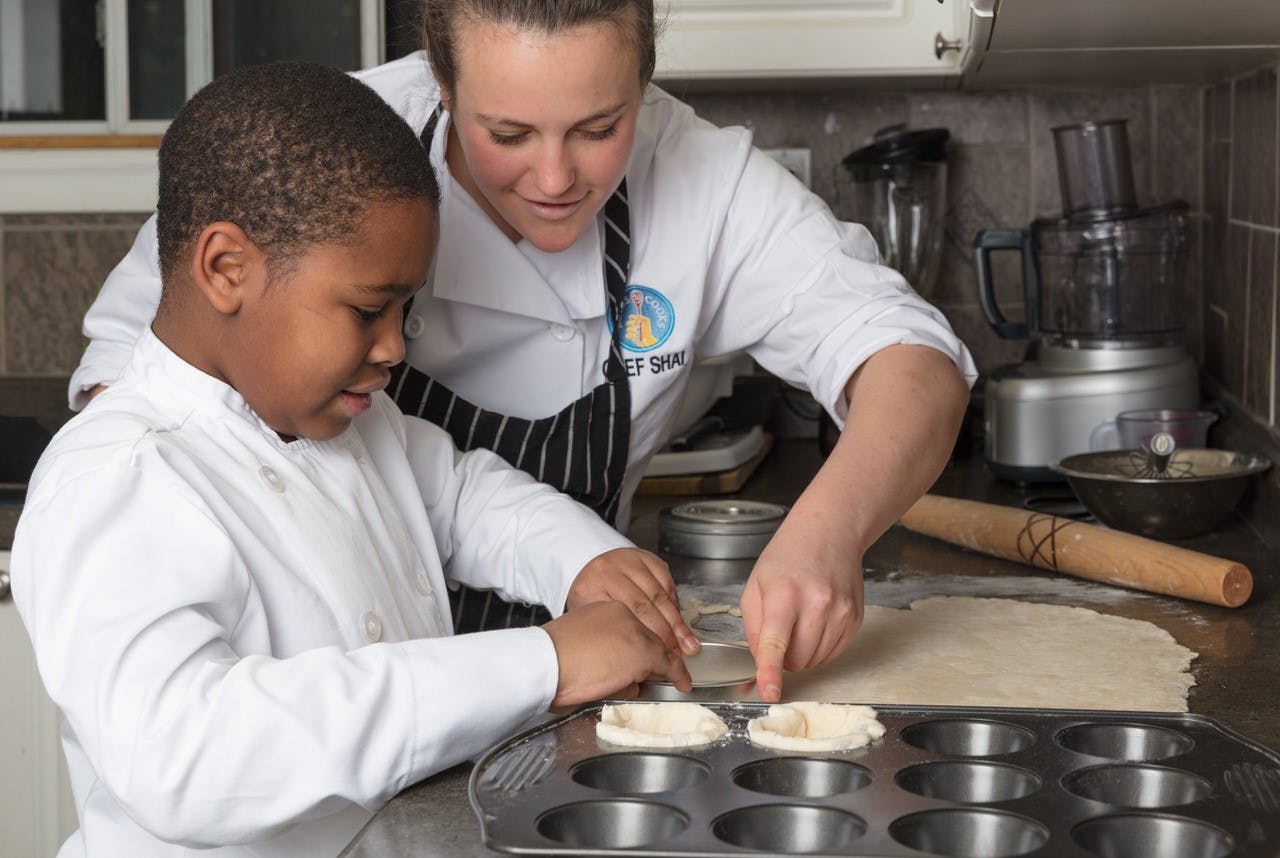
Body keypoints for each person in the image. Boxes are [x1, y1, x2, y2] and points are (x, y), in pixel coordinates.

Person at [70, 0, 977, 702]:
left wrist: (827, 532)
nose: (554, 179)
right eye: (506, 134)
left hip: (591, 679)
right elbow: (148, 387)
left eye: (598, 128)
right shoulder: (324, 164)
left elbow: (911, 360)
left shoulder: (704, 179)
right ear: (441, 81)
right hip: (325, 701)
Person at [13, 60, 694, 858]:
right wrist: (540, 663)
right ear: (227, 269)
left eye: (406, 310)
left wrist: (582, 561)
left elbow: (466, 496)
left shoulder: (357, 425)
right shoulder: (119, 477)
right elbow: (185, 757)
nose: (393, 346)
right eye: (370, 309)